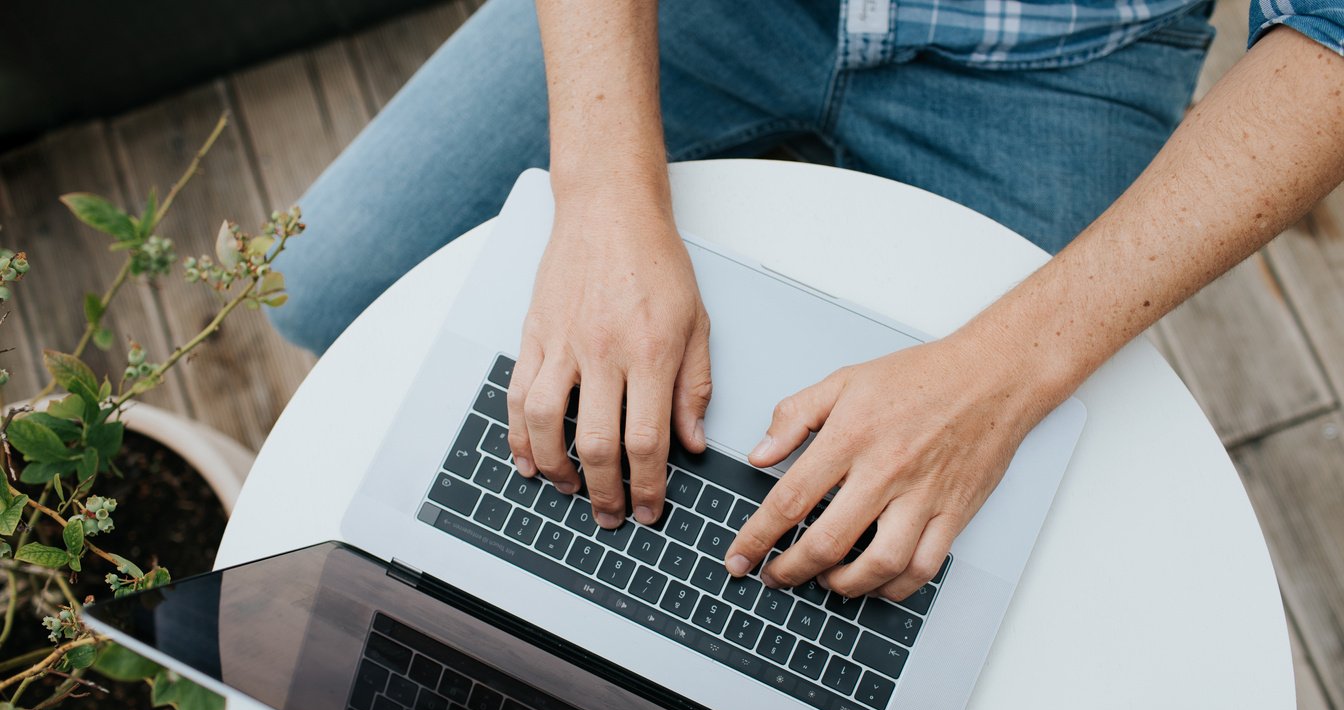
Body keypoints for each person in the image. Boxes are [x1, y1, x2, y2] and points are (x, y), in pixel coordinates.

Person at [269, 0, 1344, 602]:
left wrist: (998, 373)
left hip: (1056, 63)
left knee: (957, 565)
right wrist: (601, 193)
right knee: (324, 289)